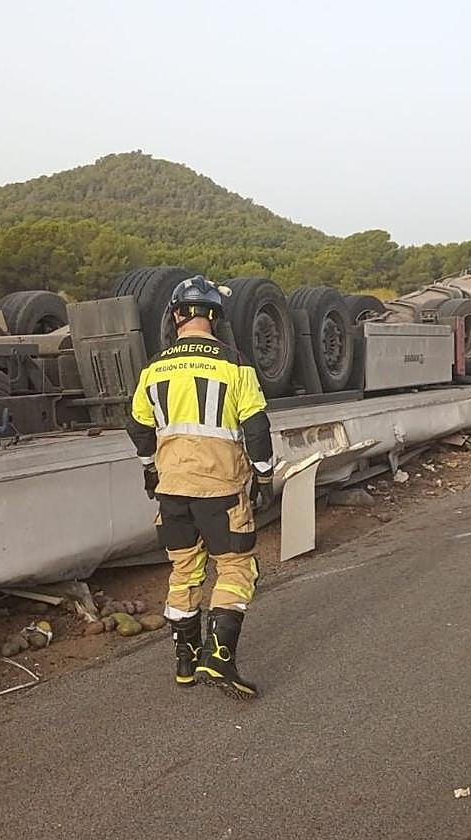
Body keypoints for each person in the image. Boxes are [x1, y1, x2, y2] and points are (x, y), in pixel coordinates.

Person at [126, 275, 276, 700]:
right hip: (221, 490)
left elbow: (137, 425)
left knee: (184, 570)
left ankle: (186, 662)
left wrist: (149, 468)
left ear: (176, 315)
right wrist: (264, 474)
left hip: (172, 490)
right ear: (215, 317)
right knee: (235, 568)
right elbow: (256, 426)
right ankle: (221, 657)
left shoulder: (154, 368)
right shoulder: (235, 365)